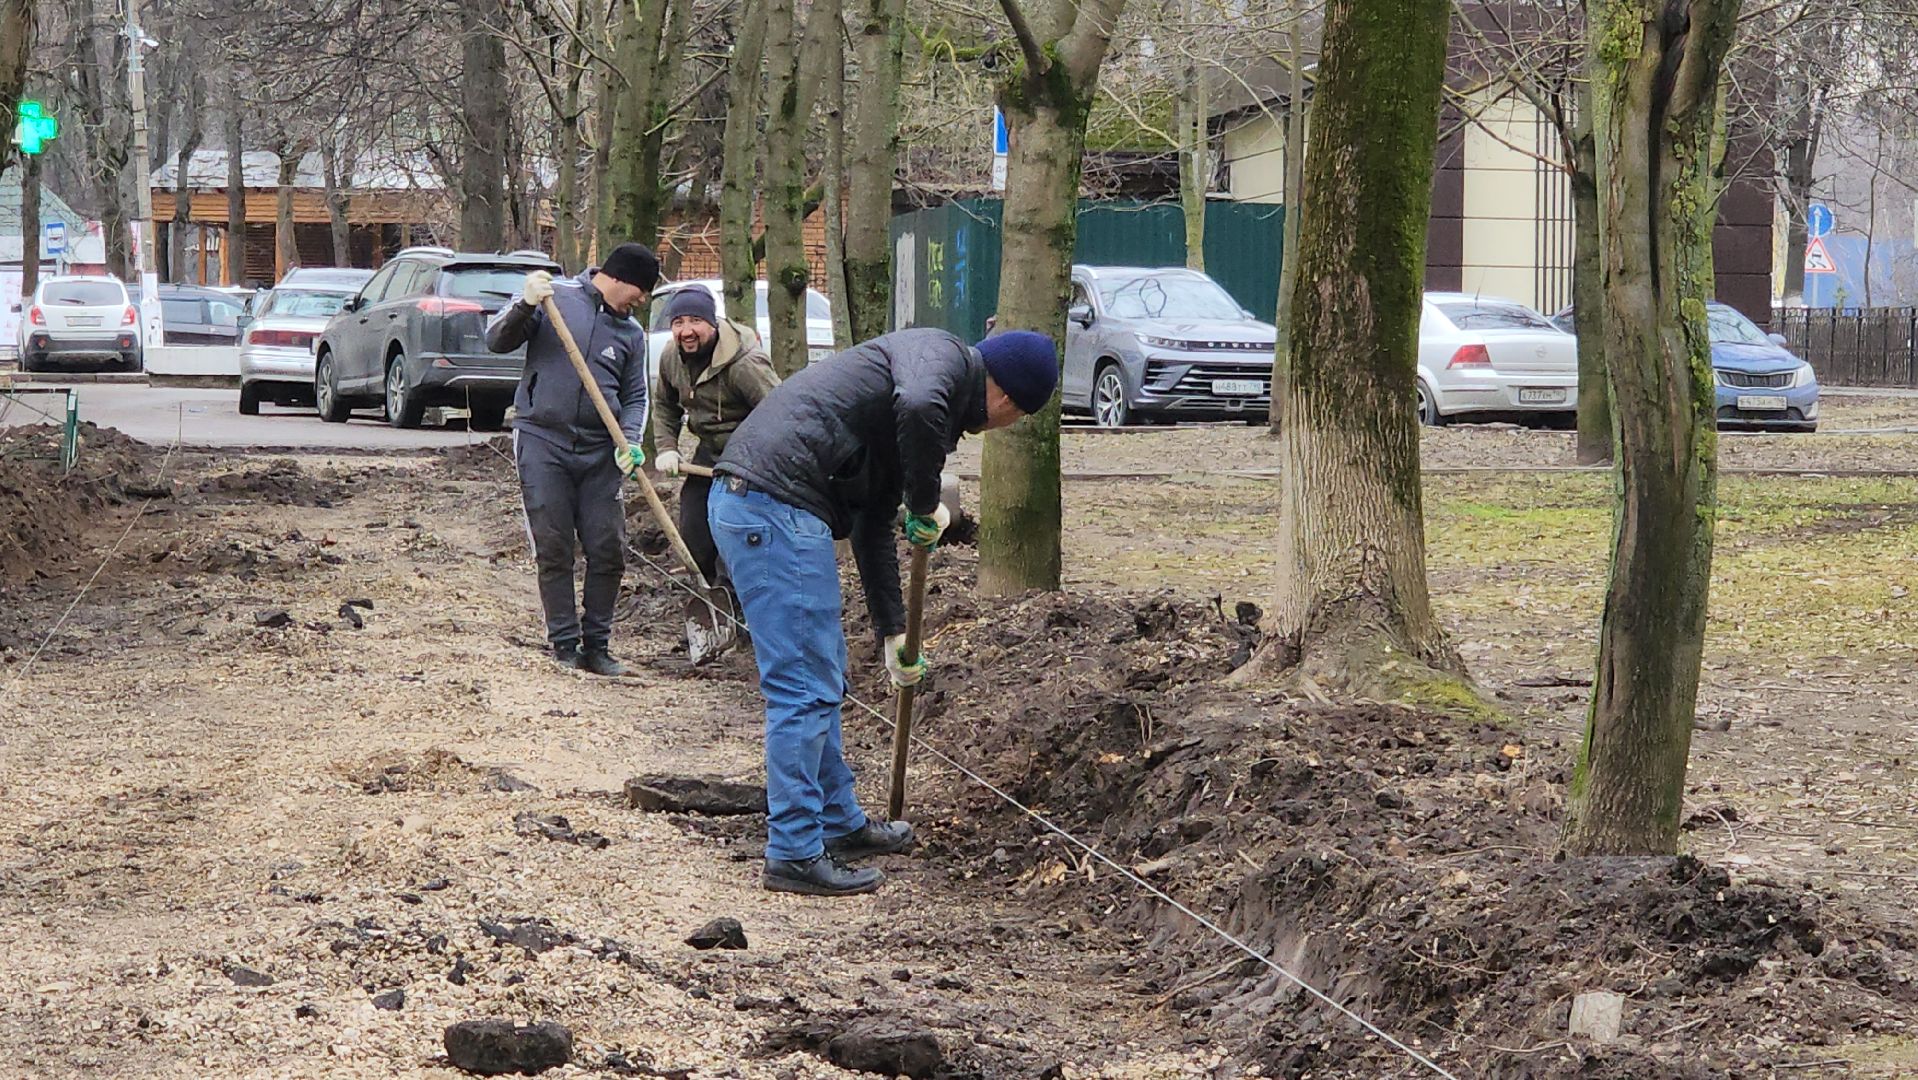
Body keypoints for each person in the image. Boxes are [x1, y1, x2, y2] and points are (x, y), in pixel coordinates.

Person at [711, 327, 1059, 896]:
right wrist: (926, 502)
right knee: (802, 687)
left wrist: (894, 632)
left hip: (771, 507)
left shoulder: (913, 409)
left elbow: (874, 522)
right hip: (772, 507)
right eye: (1015, 416)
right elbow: (921, 405)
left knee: (822, 676)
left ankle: (838, 821)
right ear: (1007, 401)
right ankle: (794, 851)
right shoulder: (939, 362)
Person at [485, 243, 658, 678]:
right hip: (544, 440)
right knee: (554, 544)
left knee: (607, 546)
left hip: (603, 450)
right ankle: (564, 642)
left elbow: (636, 396)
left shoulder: (631, 335)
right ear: (618, 278)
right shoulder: (553, 299)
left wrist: (630, 440)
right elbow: (496, 340)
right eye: (640, 291)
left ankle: (597, 645)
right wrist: (524, 305)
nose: (640, 301)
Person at [651, 287, 780, 585]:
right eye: (678, 322)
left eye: (695, 320)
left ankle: (734, 594)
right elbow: (664, 404)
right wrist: (667, 447)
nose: (686, 331)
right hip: (709, 452)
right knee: (695, 527)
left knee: (733, 531)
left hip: (749, 456)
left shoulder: (745, 364)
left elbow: (778, 412)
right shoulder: (672, 357)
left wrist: (757, 465)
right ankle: (707, 588)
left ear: (713, 322)